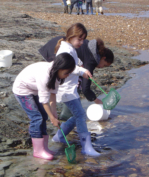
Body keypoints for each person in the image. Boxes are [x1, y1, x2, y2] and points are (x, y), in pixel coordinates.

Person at [39, 25, 114, 157]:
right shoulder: (65, 49)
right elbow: (64, 65)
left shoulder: (70, 48)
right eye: (79, 39)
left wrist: (80, 64)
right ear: (71, 36)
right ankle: (86, 146)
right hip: (65, 89)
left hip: (70, 88)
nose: (81, 42)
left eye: (83, 39)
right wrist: (82, 70)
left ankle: (58, 136)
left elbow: (74, 61)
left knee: (77, 115)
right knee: (80, 115)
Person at [12, 53, 76, 160]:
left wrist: (54, 115)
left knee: (44, 116)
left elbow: (52, 95)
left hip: (33, 89)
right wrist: (52, 118)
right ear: (60, 68)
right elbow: (44, 101)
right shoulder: (45, 76)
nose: (68, 75)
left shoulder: (55, 75)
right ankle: (38, 151)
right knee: (37, 118)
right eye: (66, 73)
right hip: (22, 90)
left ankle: (44, 148)